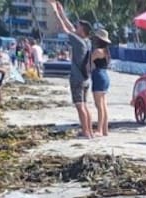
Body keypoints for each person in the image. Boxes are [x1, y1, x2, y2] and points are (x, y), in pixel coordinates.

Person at [50, 1, 94, 139]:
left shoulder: (78, 41)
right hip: (86, 78)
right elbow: (69, 26)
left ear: (82, 30)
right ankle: (89, 131)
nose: (75, 27)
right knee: (85, 105)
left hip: (77, 78)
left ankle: (85, 132)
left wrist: (55, 12)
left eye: (78, 26)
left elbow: (65, 28)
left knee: (79, 106)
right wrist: (61, 11)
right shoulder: (87, 41)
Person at [89, 28, 112, 137]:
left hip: (98, 75)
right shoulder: (106, 52)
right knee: (103, 104)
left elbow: (88, 63)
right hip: (105, 75)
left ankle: (99, 130)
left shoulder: (98, 51)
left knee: (99, 105)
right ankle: (105, 129)